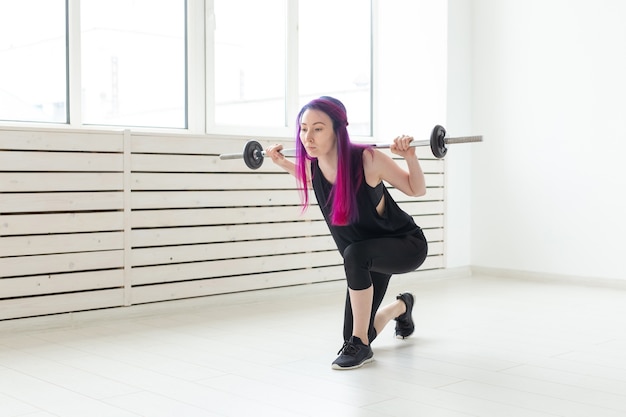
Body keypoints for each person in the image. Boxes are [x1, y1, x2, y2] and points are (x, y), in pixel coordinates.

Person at [265, 96, 428, 370]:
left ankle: (360, 345)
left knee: (357, 328)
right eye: (304, 128)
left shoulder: (368, 159)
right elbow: (307, 176)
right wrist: (280, 161)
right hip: (366, 256)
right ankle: (401, 307)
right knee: (354, 331)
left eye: (318, 128)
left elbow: (416, 189)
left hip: (405, 246)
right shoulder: (314, 166)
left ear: (337, 130)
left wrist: (410, 157)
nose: (308, 137)